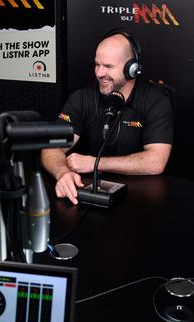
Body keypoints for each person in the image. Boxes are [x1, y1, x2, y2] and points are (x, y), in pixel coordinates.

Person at [41, 29, 174, 204]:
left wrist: (94, 163)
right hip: (89, 197)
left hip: (141, 201)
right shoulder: (82, 98)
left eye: (109, 67)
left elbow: (156, 161)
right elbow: (50, 147)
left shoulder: (156, 101)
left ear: (132, 69)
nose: (99, 73)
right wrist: (63, 173)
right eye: (97, 64)